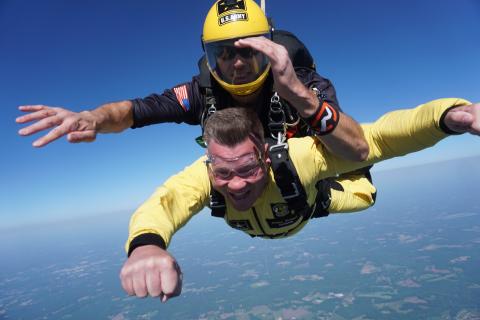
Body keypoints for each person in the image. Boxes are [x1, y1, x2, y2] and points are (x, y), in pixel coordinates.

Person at [16, 0, 376, 214]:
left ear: (268, 50)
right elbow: (134, 111)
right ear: (209, 57)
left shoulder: (303, 84)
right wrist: (93, 117)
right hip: (247, 191)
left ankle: (314, 197)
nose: (236, 64)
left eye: (247, 51)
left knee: (364, 195)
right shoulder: (200, 93)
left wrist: (299, 95)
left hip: (314, 187)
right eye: (223, 54)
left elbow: (358, 151)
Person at [120, 98, 479, 302]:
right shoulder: (204, 174)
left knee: (365, 194)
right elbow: (165, 203)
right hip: (286, 216)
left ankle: (333, 178)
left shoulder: (294, 157)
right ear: (210, 161)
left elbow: (379, 138)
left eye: (248, 168)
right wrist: (146, 245)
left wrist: (446, 118)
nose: (237, 184)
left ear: (264, 155)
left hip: (313, 202)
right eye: (224, 173)